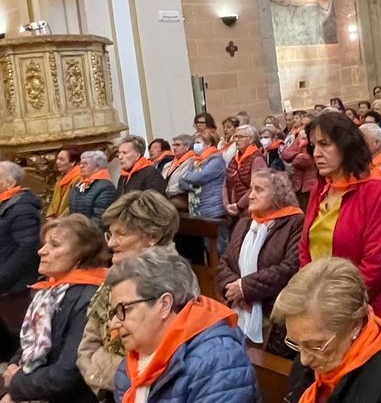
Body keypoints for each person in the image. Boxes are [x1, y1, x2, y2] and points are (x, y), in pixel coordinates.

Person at [301, 111, 381, 351]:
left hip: (373, 314)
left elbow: (375, 266)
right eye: (312, 146)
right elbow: (305, 248)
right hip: (327, 312)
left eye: (324, 144)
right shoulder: (319, 190)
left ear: (346, 146)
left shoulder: (375, 193)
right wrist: (309, 296)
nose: (316, 153)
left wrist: (333, 305)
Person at [109, 248, 258, 402]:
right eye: (114, 313)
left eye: (124, 309)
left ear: (164, 305)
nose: (114, 324)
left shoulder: (218, 362)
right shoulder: (127, 368)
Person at [275, 257, 381, 403]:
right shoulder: (308, 363)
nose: (304, 359)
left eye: (316, 345)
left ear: (354, 325)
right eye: (296, 344)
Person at [75, 191, 180, 398]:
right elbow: (86, 349)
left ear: (153, 236)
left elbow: (158, 366)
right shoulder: (117, 274)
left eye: (121, 234)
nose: (111, 243)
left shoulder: (174, 283)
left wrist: (104, 370)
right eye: (110, 234)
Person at [1, 215, 107, 403]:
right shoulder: (49, 290)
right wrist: (13, 368)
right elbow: (27, 345)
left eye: (55, 245)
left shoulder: (91, 297)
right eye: (44, 244)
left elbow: (69, 372)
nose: (42, 251)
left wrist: (18, 383)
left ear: (83, 253)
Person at [218, 169, 303, 354]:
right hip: (238, 306)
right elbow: (224, 261)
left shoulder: (295, 223)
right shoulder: (244, 224)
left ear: (278, 194)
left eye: (259, 190)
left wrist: (245, 288)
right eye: (250, 189)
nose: (251, 195)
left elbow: (290, 268)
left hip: (274, 313)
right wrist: (233, 289)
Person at [0, 162, 41, 358]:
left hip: (15, 287)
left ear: (9, 183)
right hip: (7, 285)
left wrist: (3, 278)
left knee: (20, 333)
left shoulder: (21, 207)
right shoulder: (6, 204)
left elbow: (27, 248)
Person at [180, 131, 226, 220]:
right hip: (197, 209)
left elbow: (200, 177)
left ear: (208, 144)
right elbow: (181, 181)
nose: (195, 146)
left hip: (213, 209)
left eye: (198, 143)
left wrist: (188, 177)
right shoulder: (194, 160)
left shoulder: (216, 160)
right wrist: (193, 184)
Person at [224, 124, 268, 218]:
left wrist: (239, 205)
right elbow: (225, 184)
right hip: (233, 210)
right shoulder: (234, 159)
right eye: (235, 137)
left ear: (251, 139)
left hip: (249, 210)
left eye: (240, 137)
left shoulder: (257, 159)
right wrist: (227, 204)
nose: (236, 140)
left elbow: (256, 187)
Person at [69, 150, 116, 223]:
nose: (81, 166)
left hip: (92, 232)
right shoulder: (78, 185)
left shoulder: (106, 187)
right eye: (81, 163)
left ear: (97, 167)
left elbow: (100, 218)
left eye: (85, 163)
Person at [46, 146, 81, 218]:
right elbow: (53, 202)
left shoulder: (79, 178)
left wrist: (59, 220)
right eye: (57, 158)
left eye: (61, 160)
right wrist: (50, 216)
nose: (57, 162)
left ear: (73, 162)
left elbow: (74, 205)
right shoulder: (61, 178)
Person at [163, 134, 195, 211]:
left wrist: (167, 191)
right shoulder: (168, 164)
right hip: (168, 197)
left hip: (183, 198)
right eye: (173, 145)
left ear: (187, 146)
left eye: (177, 145)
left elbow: (184, 182)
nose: (174, 148)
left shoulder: (192, 161)